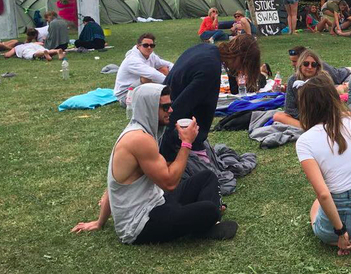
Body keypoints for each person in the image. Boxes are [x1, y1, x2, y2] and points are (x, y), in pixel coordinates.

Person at [71, 84, 238, 243]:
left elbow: (112, 186)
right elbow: (170, 182)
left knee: (207, 177)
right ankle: (207, 221)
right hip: (139, 224)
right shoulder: (139, 139)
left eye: (170, 105)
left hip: (156, 201)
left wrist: (99, 222)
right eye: (165, 107)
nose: (171, 110)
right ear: (148, 109)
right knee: (208, 209)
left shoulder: (141, 131)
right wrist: (186, 143)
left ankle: (206, 221)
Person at [295, 73, 351, 255]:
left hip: (335, 223)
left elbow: (323, 194)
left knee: (316, 205)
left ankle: (341, 240)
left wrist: (341, 233)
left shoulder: (305, 141)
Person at [159, 35, 261, 162]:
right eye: (244, 67)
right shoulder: (210, 68)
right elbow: (178, 108)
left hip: (162, 112)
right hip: (167, 128)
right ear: (240, 58)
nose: (241, 71)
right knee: (208, 175)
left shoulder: (207, 49)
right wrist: (166, 154)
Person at [273, 48, 328, 129]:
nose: (310, 67)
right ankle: (309, 127)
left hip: (321, 116)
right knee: (277, 116)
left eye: (313, 65)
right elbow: (289, 108)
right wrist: (304, 117)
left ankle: (310, 128)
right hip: (301, 117)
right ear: (300, 65)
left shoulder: (324, 79)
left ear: (317, 66)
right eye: (306, 64)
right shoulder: (293, 80)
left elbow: (330, 105)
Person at [113, 33, 174, 106]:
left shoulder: (151, 55)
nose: (149, 48)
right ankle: (167, 95)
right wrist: (172, 83)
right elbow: (153, 74)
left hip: (139, 88)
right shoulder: (132, 60)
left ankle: (166, 95)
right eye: (145, 45)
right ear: (138, 46)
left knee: (164, 69)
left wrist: (176, 73)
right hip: (126, 95)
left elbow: (168, 64)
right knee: (147, 78)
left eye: (152, 46)